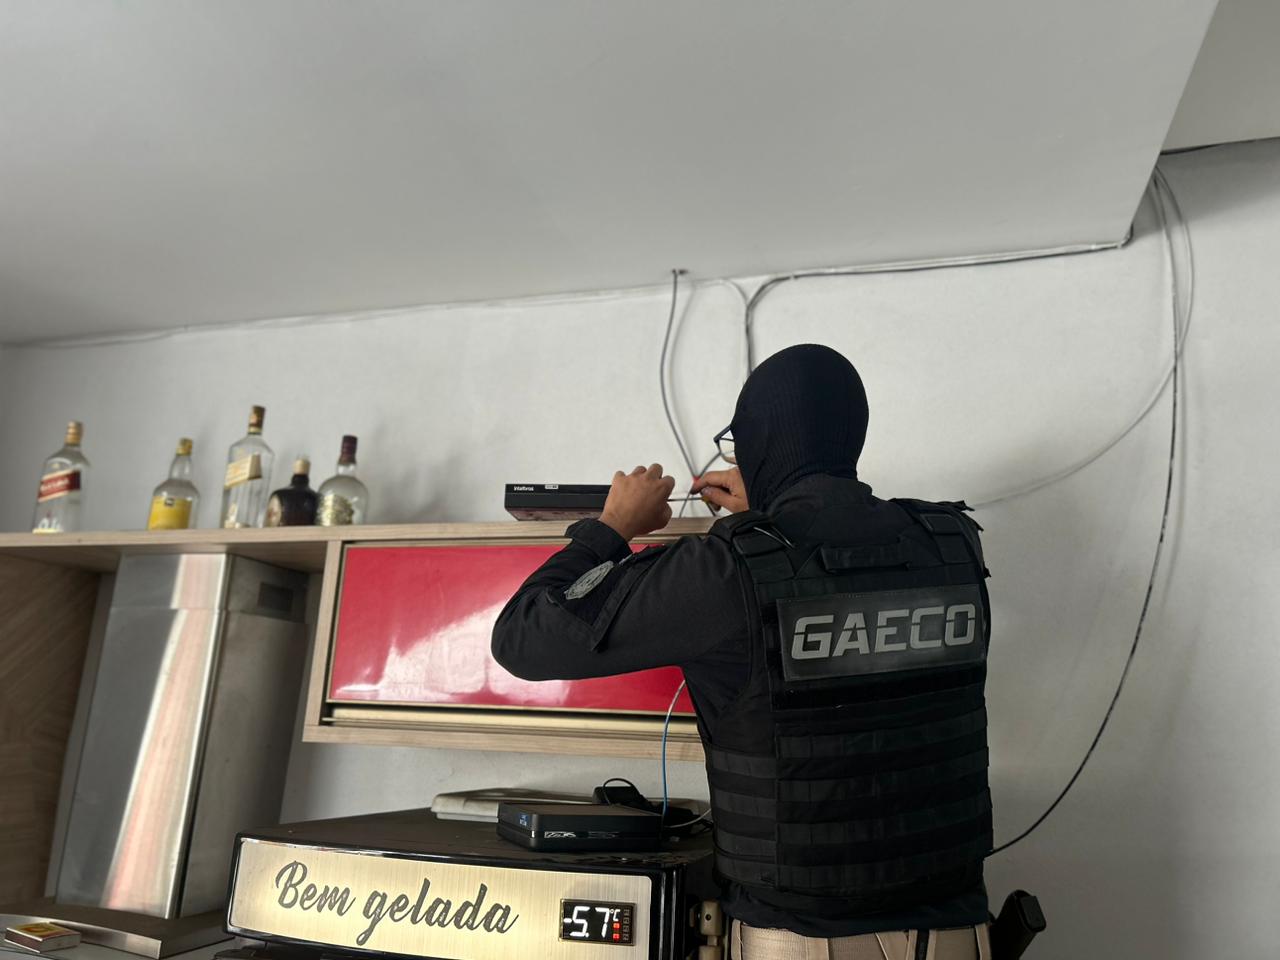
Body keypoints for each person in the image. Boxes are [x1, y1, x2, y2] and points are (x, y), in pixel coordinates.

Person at [491, 343, 994, 960]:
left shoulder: (725, 568)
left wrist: (611, 526)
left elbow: (522, 637)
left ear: (757, 441)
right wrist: (773, 515)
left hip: (803, 938)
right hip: (961, 931)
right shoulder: (951, 543)